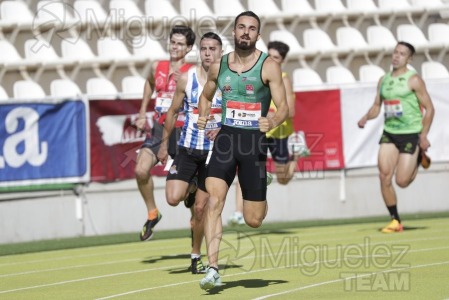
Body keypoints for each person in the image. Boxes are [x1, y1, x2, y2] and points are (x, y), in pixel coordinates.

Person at [196, 11, 289, 290]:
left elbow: (284, 108)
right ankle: (213, 268)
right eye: (241, 28)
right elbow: (206, 95)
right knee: (214, 201)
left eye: (251, 29)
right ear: (233, 32)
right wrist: (203, 114)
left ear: (257, 35)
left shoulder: (268, 66)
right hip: (225, 140)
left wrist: (272, 119)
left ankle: (263, 182)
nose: (245, 32)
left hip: (254, 144)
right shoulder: (218, 65)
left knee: (253, 220)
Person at [157, 32, 223, 274]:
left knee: (200, 210)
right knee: (173, 198)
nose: (207, 53)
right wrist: (164, 145)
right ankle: (192, 186)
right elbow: (173, 112)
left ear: (221, 52)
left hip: (213, 154)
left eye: (212, 48)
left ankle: (196, 254)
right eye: (204, 48)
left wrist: (222, 129)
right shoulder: (187, 79)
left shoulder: (227, 82)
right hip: (187, 148)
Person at [228, 41, 309, 226]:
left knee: (283, 179)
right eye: (269, 55)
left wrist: (272, 115)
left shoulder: (284, 78)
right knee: (244, 169)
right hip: (258, 132)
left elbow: (291, 110)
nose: (271, 59)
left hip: (279, 131)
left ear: (282, 60)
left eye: (276, 57)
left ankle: (296, 153)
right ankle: (239, 212)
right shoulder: (256, 73)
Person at [357, 41, 434, 234]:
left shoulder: (414, 80)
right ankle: (395, 220)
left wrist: (423, 135)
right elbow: (377, 106)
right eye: (395, 52)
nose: (396, 56)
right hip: (390, 133)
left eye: (401, 53)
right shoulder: (383, 80)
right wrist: (366, 117)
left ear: (409, 58)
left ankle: (418, 158)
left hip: (410, 133)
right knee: (384, 176)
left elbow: (430, 108)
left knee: (402, 181)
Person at [134, 25, 196, 241]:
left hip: (182, 132)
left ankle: (194, 225)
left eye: (180, 44)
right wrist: (142, 111)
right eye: (173, 42)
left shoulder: (192, 71)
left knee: (186, 191)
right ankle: (153, 213)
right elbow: (149, 84)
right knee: (141, 170)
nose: (175, 47)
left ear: (188, 48)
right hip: (159, 130)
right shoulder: (157, 66)